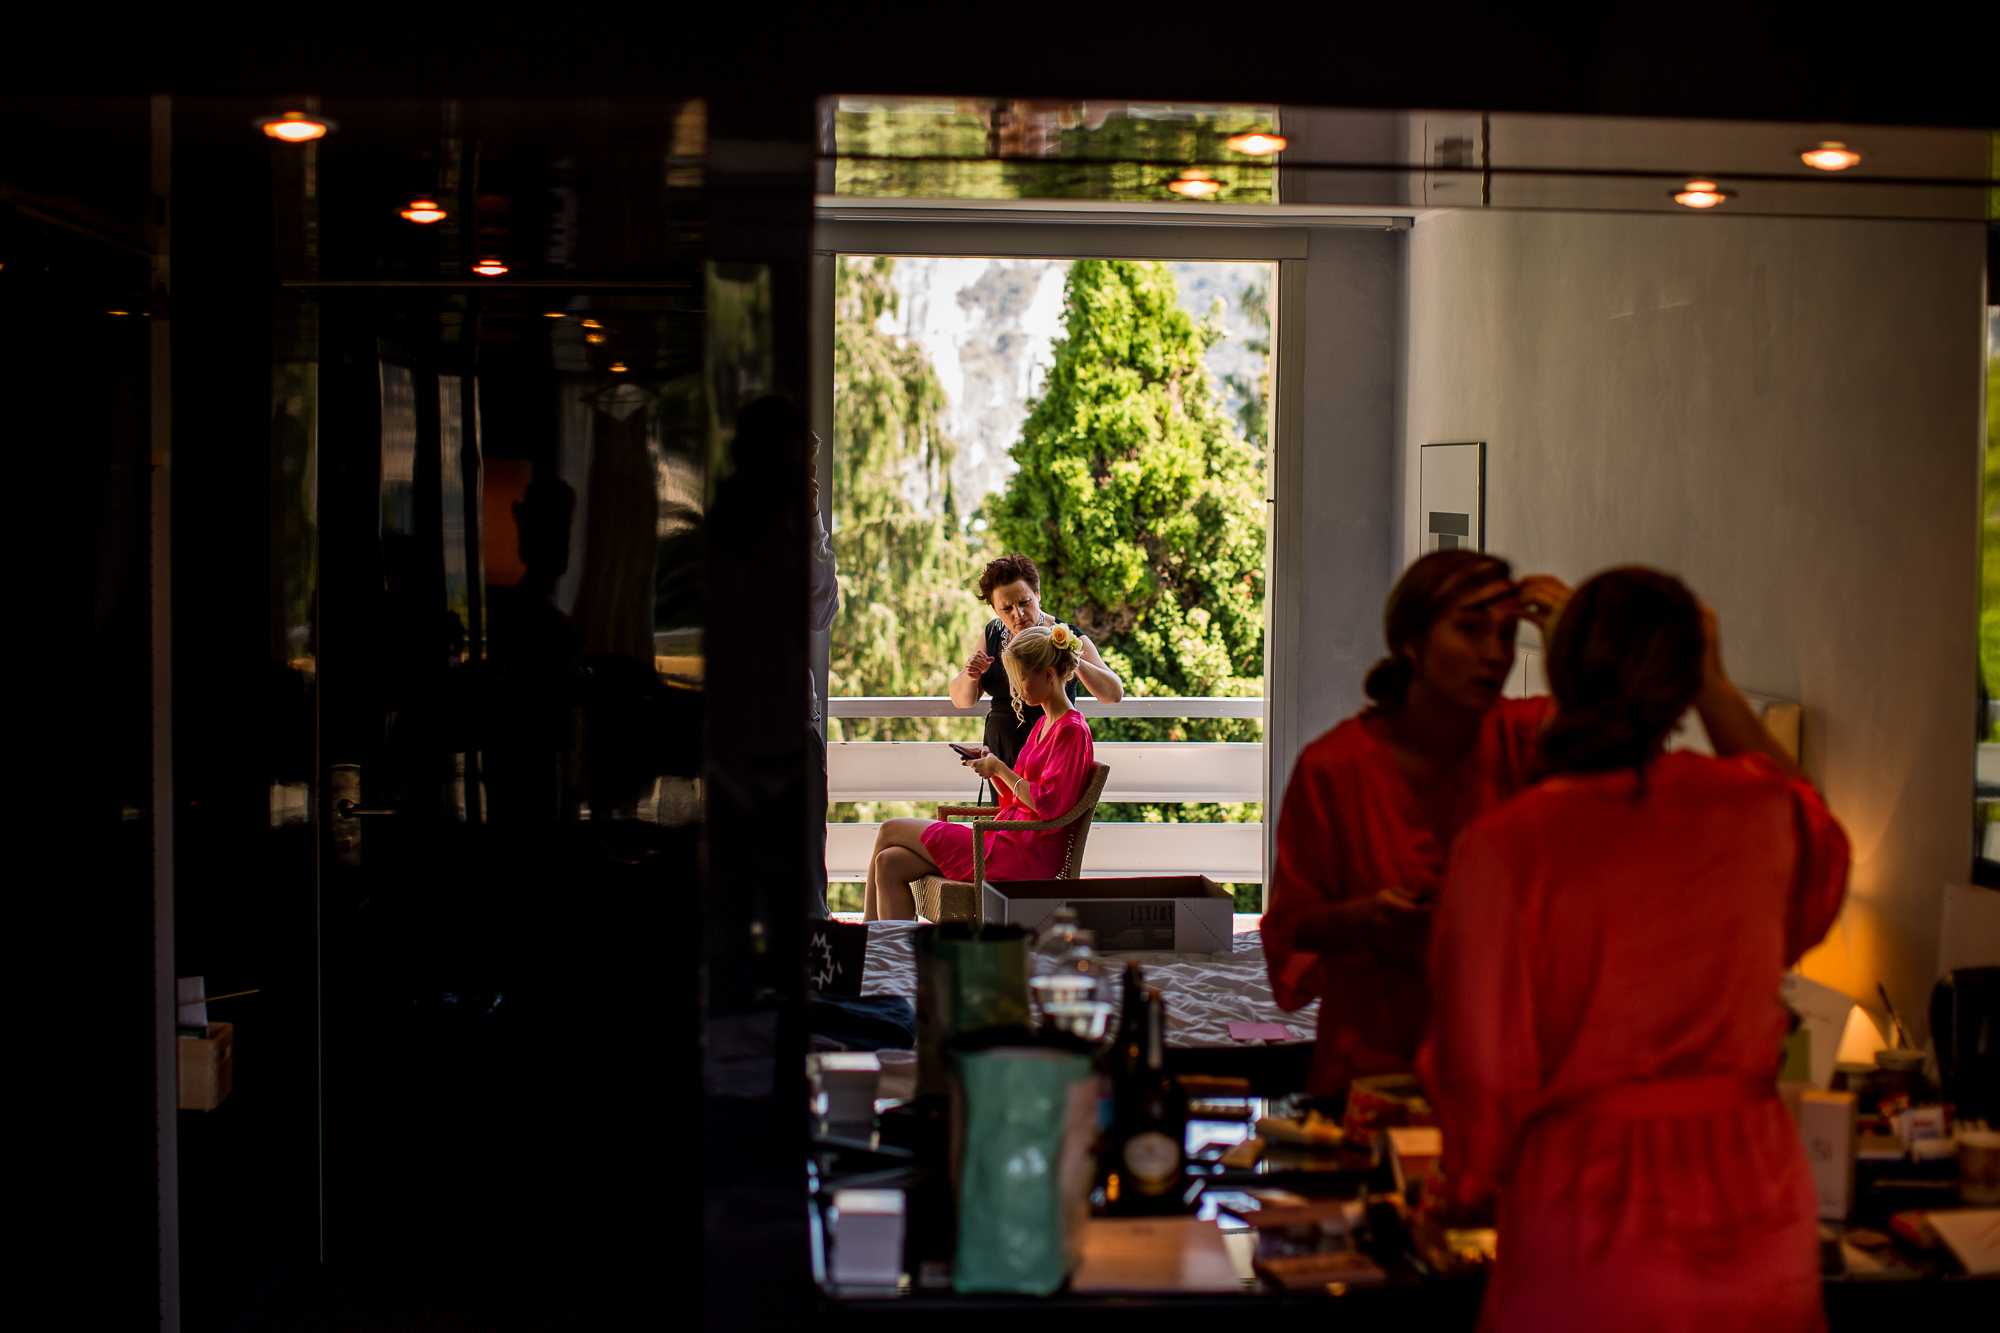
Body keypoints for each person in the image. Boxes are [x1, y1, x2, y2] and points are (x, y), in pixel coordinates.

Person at [1418, 568, 1848, 1333]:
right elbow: (1817, 830)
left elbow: (1482, 1077)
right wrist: (1711, 682)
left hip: (1593, 1214)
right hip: (1755, 1206)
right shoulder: (1758, 812)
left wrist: (1469, 1180)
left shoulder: (1510, 845)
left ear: (1557, 669)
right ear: (1686, 677)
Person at [1262, 550, 1572, 1099]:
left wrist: (1568, 636)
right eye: (1471, 630)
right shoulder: (1335, 767)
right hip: (1372, 1063)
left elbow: (1615, 730)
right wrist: (1366, 918)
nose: (1495, 655)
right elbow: (1290, 930)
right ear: (1411, 641)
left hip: (1501, 1061)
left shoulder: (1525, 741)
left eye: (1507, 635)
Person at [862, 625, 1096, 920]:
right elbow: (1016, 800)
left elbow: (1048, 807)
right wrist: (992, 769)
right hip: (1007, 837)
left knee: (889, 829)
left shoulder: (1071, 730)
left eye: (1021, 677)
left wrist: (1001, 768)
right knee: (889, 862)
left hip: (1024, 854)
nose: (1016, 687)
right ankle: (895, 957)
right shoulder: (1042, 725)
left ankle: (864, 941)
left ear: (1049, 675)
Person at [949, 553, 1123, 768]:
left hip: (1051, 749)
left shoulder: (1064, 634)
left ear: (1038, 595)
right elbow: (961, 701)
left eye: (1025, 602)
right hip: (1000, 751)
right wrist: (971, 676)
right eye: (1006, 608)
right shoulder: (992, 633)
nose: (1019, 613)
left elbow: (1113, 695)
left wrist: (1071, 657)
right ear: (994, 608)